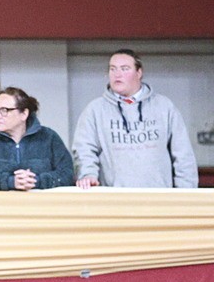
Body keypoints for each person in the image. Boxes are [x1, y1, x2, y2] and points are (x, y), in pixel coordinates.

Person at [72, 50, 198, 189]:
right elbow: (84, 150)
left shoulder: (164, 107)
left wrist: (186, 193)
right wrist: (87, 175)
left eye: (125, 69)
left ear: (139, 73)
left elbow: (183, 155)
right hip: (113, 201)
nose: (117, 74)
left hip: (159, 200)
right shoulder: (94, 110)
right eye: (112, 69)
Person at [0, 87, 75, 190]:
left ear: (24, 114)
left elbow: (67, 174)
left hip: (41, 208)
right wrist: (9, 182)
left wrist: (36, 181)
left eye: (5, 110)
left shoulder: (49, 137)